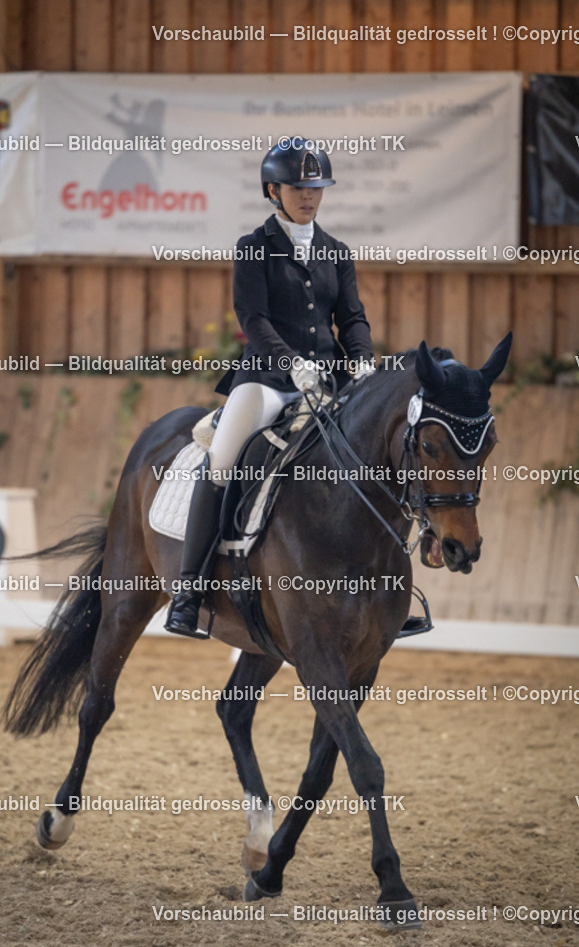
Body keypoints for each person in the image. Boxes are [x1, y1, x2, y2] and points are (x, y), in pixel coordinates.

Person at [165, 136, 375, 637]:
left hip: (327, 383)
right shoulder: (254, 247)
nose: (309, 197)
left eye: (316, 188)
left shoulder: (336, 252)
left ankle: (377, 593)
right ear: (273, 191)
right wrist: (291, 363)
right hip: (266, 382)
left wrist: (363, 360)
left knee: (373, 456)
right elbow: (253, 318)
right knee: (221, 462)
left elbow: (352, 318)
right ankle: (189, 591)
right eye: (298, 188)